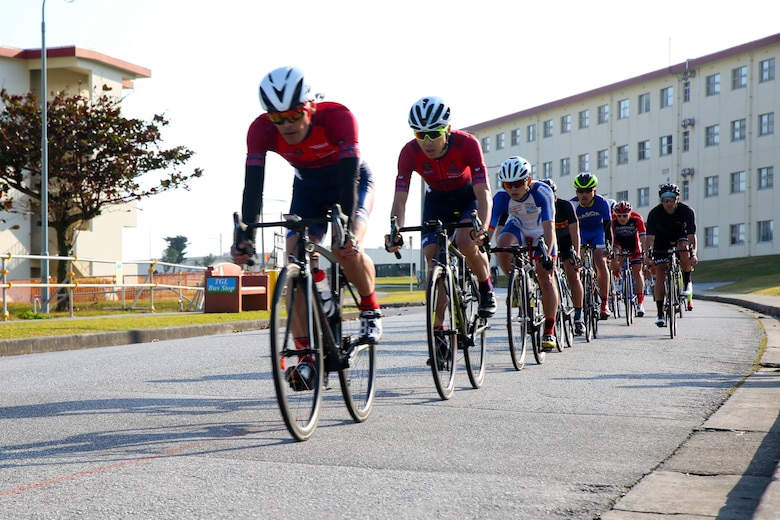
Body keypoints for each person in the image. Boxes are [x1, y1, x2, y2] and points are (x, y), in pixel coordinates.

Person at [232, 66, 382, 389]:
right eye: (277, 118)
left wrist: (345, 228)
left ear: (310, 107)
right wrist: (246, 235)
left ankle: (370, 308)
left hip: (351, 182)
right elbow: (253, 189)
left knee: (347, 247)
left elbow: (348, 180)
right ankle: (305, 356)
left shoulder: (338, 118)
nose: (286, 125)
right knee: (294, 261)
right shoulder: (259, 131)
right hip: (308, 190)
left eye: (294, 114)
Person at [386, 97, 495, 364]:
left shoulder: (468, 144)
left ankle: (485, 287)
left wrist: (481, 225)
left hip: (467, 197)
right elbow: (400, 198)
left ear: (447, 129)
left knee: (466, 241)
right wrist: (394, 229)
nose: (427, 141)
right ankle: (438, 334)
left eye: (434, 133)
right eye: (420, 134)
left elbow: (484, 193)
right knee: (433, 257)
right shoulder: (409, 152)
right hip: (436, 201)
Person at [488, 158, 558, 350]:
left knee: (545, 277)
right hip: (518, 226)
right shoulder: (501, 198)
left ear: (528, 180)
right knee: (501, 243)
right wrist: (483, 247)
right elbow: (491, 228)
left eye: (518, 183)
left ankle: (549, 330)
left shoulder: (542, 191)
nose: (513, 188)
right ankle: (516, 283)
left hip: (541, 230)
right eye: (508, 184)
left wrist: (546, 254)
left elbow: (549, 225)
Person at [644, 183, 698, 326]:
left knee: (683, 247)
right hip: (662, 241)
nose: (668, 203)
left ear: (678, 199)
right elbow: (649, 238)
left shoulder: (687, 211)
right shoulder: (654, 214)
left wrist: (693, 254)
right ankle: (660, 313)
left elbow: (692, 236)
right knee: (660, 271)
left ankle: (687, 281)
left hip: (680, 237)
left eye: (672, 199)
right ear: (661, 200)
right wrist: (647, 255)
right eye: (665, 200)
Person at [538, 178, 585, 335]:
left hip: (565, 243)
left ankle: (578, 316)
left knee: (573, 276)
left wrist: (576, 254)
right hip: (547, 244)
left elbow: (575, 232)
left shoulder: (565, 206)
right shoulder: (537, 206)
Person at [570, 172, 613, 320]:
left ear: (594, 190)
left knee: (600, 261)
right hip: (581, 233)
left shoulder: (602, 203)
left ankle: (604, 303)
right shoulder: (573, 204)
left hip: (597, 232)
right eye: (580, 191)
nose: (584, 195)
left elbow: (608, 227)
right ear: (576, 192)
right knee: (576, 263)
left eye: (588, 191)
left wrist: (609, 245)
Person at [609, 200, 647, 317]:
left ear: (630, 213)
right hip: (619, 243)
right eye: (619, 215)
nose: (621, 218)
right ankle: (617, 277)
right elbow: (609, 238)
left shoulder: (637, 218)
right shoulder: (613, 220)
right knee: (614, 254)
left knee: (637, 272)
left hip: (633, 245)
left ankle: (640, 303)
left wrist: (644, 253)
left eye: (624, 216)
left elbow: (643, 237)